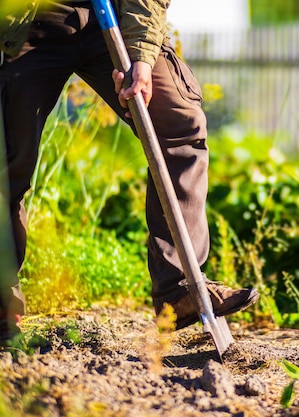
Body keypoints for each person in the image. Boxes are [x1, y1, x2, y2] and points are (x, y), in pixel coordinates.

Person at [0, 0, 258, 344]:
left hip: (112, 14)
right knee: (6, 160)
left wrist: (142, 55)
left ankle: (178, 289)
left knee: (178, 123)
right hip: (27, 18)